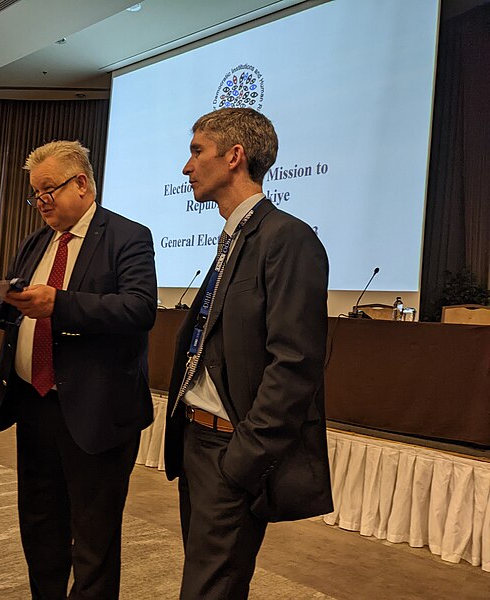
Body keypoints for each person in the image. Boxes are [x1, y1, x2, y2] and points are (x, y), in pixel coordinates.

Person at [0, 140, 157, 599]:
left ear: (82, 184)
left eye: (48, 189)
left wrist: (62, 304)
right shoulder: (36, 243)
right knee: (40, 527)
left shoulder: (128, 237)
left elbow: (139, 309)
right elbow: (12, 312)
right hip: (35, 407)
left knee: (94, 539)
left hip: (97, 414)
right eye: (36, 194)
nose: (41, 202)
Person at [164, 108, 333, 599]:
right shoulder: (233, 237)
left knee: (209, 590)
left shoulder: (287, 238)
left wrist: (245, 458)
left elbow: (296, 365)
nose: (187, 166)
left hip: (231, 452)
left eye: (197, 151)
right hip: (198, 442)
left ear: (234, 156)